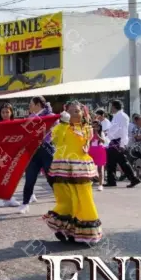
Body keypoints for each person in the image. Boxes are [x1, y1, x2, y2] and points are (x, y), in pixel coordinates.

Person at [43, 101, 102, 244]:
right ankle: (65, 229)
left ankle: (83, 232)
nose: (74, 114)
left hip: (81, 168)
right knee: (67, 201)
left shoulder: (87, 128)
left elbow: (86, 144)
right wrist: (63, 124)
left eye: (77, 111)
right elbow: (56, 141)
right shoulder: (60, 127)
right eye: (71, 111)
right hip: (62, 168)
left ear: (83, 113)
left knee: (84, 199)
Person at [19, 96, 55, 214]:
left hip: (47, 150)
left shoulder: (51, 116)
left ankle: (62, 201)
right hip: (33, 151)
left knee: (51, 178)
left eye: (31, 104)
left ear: (38, 104)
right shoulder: (30, 117)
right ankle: (25, 203)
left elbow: (57, 132)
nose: (29, 106)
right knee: (30, 177)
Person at [104, 100, 140, 188]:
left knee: (123, 162)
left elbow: (124, 131)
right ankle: (111, 180)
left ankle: (134, 178)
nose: (110, 108)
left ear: (114, 107)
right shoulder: (117, 116)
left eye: (111, 106)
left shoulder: (122, 116)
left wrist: (122, 144)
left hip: (118, 142)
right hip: (113, 142)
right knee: (111, 162)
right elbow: (114, 129)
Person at [0, 103, 21, 207]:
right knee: (1, 177)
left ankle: (10, 197)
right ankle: (2, 198)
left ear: (11, 113)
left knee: (12, 177)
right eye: (3, 112)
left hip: (13, 154)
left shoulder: (17, 125)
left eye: (7, 112)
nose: (5, 114)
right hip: (0, 156)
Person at [89, 120, 107, 191]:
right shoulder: (90, 133)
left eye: (97, 126)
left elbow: (103, 141)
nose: (95, 128)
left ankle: (100, 184)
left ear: (100, 127)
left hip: (99, 151)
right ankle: (90, 182)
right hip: (91, 151)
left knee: (100, 168)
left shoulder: (101, 133)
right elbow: (87, 142)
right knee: (90, 168)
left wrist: (97, 135)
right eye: (94, 126)